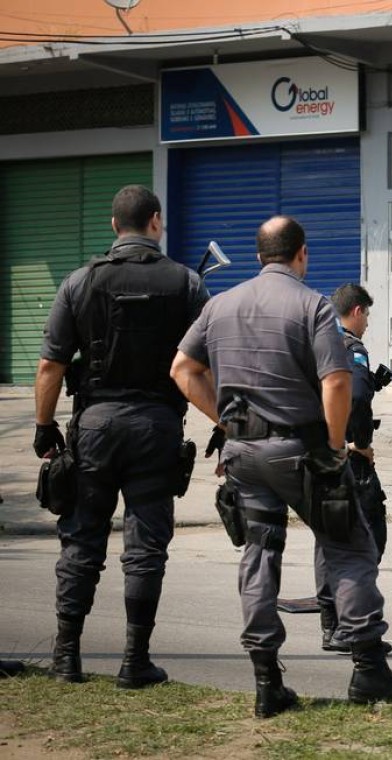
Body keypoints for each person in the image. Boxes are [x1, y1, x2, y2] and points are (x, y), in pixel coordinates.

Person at [170, 216, 392, 717]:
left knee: (259, 552)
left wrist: (224, 421)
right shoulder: (312, 306)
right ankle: (368, 667)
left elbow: (182, 369)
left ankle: (267, 680)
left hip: (244, 454)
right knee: (349, 546)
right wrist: (335, 447)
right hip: (302, 451)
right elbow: (336, 382)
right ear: (302, 254)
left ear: (259, 254)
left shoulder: (219, 304)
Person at [33, 185, 208, 689]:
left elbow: (50, 365)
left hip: (94, 426)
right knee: (146, 547)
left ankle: (67, 658)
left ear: (115, 226)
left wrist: (44, 428)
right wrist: (227, 422)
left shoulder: (79, 281)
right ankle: (136, 661)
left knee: (81, 541)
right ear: (156, 222)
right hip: (156, 428)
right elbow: (202, 363)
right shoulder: (188, 284)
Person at [317, 284, 390, 654]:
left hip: (319, 455)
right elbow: (358, 397)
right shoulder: (352, 349)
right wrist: (361, 445)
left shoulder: (315, 344)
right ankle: (354, 625)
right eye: (368, 316)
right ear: (358, 311)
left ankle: (332, 627)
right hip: (349, 460)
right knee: (367, 539)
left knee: (328, 539)